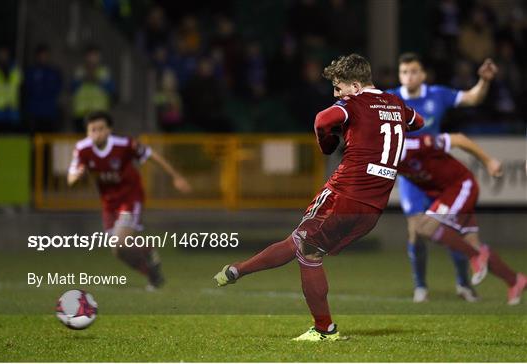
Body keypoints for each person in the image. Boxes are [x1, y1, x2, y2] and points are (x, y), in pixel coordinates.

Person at [213, 54, 428, 341]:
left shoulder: (354, 103)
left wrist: (328, 142)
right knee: (301, 241)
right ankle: (237, 270)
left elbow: (322, 119)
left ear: (355, 85)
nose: (336, 95)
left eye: (339, 89)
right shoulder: (397, 104)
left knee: (309, 253)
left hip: (344, 194)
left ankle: (324, 329)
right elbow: (419, 121)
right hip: (373, 207)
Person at [387, 52, 498, 303]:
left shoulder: (437, 94)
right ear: (399, 75)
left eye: (413, 71)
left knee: (450, 229)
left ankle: (463, 284)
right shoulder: (391, 99)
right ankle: (421, 287)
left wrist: (484, 82)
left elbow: (473, 98)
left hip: (439, 175)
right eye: (404, 72)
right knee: (416, 231)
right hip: (412, 180)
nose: (409, 76)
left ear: (422, 74)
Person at [67, 111, 191, 289]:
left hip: (130, 197)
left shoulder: (124, 144)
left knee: (120, 241)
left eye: (101, 129)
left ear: (109, 130)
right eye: (92, 130)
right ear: (87, 132)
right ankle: (152, 273)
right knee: (118, 251)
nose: (97, 133)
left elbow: (151, 155)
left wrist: (175, 176)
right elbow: (71, 177)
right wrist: (76, 177)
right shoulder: (82, 149)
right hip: (109, 203)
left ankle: (148, 251)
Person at [398, 133, 526, 305]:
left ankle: (476, 256)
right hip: (445, 192)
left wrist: (488, 161)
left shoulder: (414, 145)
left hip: (460, 186)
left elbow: (459, 139)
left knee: (423, 227)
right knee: (471, 242)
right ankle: (514, 281)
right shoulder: (381, 156)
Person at [24, 44, 63, 133]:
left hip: (49, 112)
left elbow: (58, 88)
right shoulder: (31, 71)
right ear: (36, 56)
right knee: (34, 139)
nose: (43, 58)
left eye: (45, 55)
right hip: (34, 112)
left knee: (48, 139)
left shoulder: (54, 72)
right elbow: (28, 88)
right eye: (41, 55)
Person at [0, 45, 22, 133]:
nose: (3, 55)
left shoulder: (15, 69)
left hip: (11, 110)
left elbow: (19, 86)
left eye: (5, 53)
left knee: (9, 140)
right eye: (1, 53)